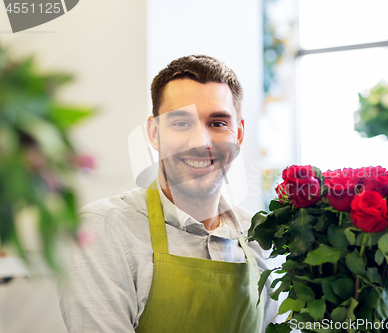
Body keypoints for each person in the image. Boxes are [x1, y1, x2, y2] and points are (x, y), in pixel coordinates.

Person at [58, 55, 277, 333]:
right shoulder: (103, 230)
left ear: (239, 134)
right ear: (154, 132)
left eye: (218, 123)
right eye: (181, 123)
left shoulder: (259, 238)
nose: (201, 142)